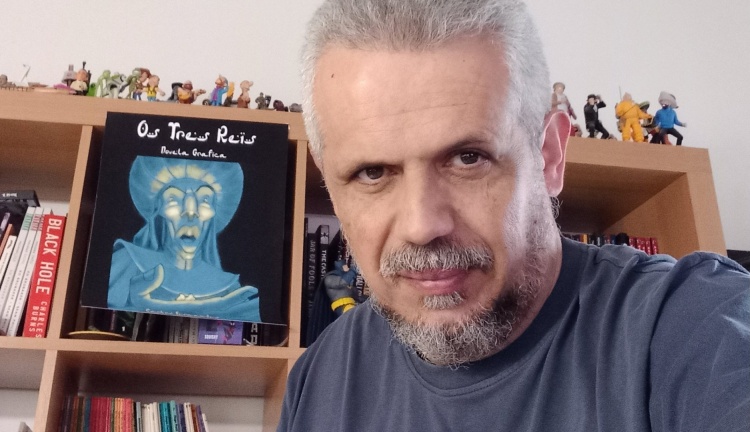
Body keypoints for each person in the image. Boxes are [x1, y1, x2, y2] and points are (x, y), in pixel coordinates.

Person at [279, 1, 750, 431]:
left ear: (550, 156)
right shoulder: (320, 377)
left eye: (468, 159)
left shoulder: (692, 326)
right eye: (372, 172)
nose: (422, 226)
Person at [107, 156, 261, 322]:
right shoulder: (127, 262)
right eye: (174, 199)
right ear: (159, 210)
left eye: (204, 199)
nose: (190, 212)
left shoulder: (229, 287)